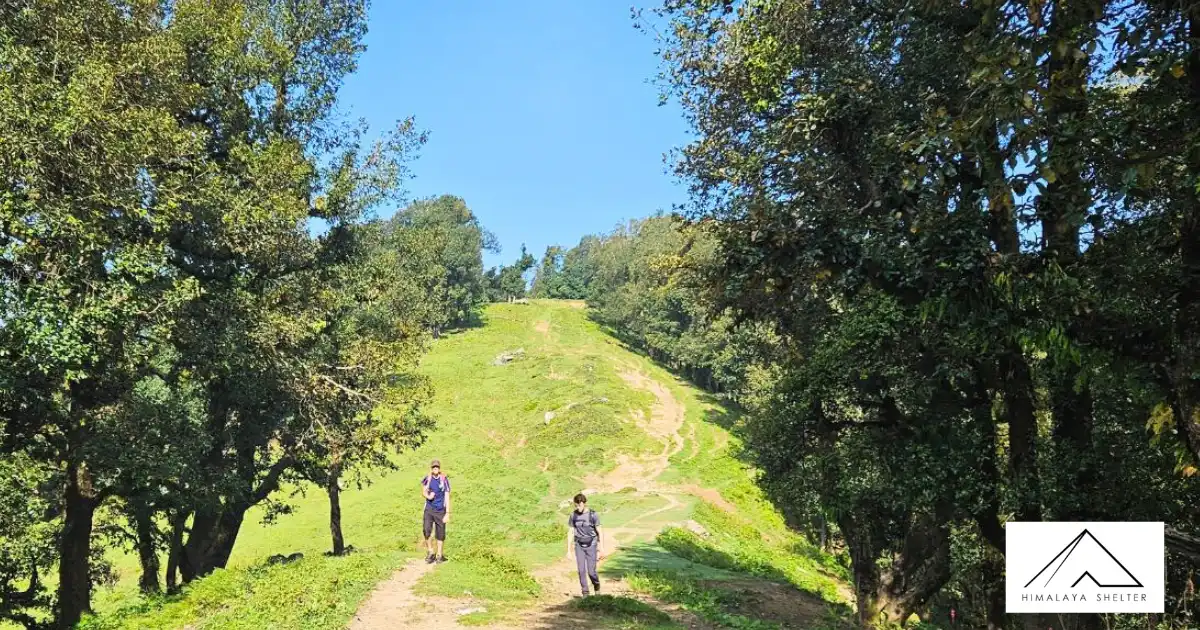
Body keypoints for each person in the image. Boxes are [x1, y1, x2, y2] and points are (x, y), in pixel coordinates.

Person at [565, 492, 602, 596]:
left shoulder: (593, 515)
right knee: (581, 570)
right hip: (579, 545)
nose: (578, 507)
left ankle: (596, 585)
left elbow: (600, 531)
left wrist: (601, 549)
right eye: (576, 505)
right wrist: (568, 550)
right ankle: (585, 593)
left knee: (591, 571)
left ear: (584, 503)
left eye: (579, 505)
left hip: (592, 544)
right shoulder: (573, 515)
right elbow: (571, 532)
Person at [420, 459, 451, 563]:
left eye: (437, 467)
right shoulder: (428, 478)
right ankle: (430, 552)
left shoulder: (444, 479)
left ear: (439, 468)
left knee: (440, 533)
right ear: (431, 469)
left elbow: (447, 496)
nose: (435, 468)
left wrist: (447, 513)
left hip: (440, 510)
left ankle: (439, 555)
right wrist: (429, 496)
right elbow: (423, 491)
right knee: (426, 530)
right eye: (433, 467)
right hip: (429, 509)